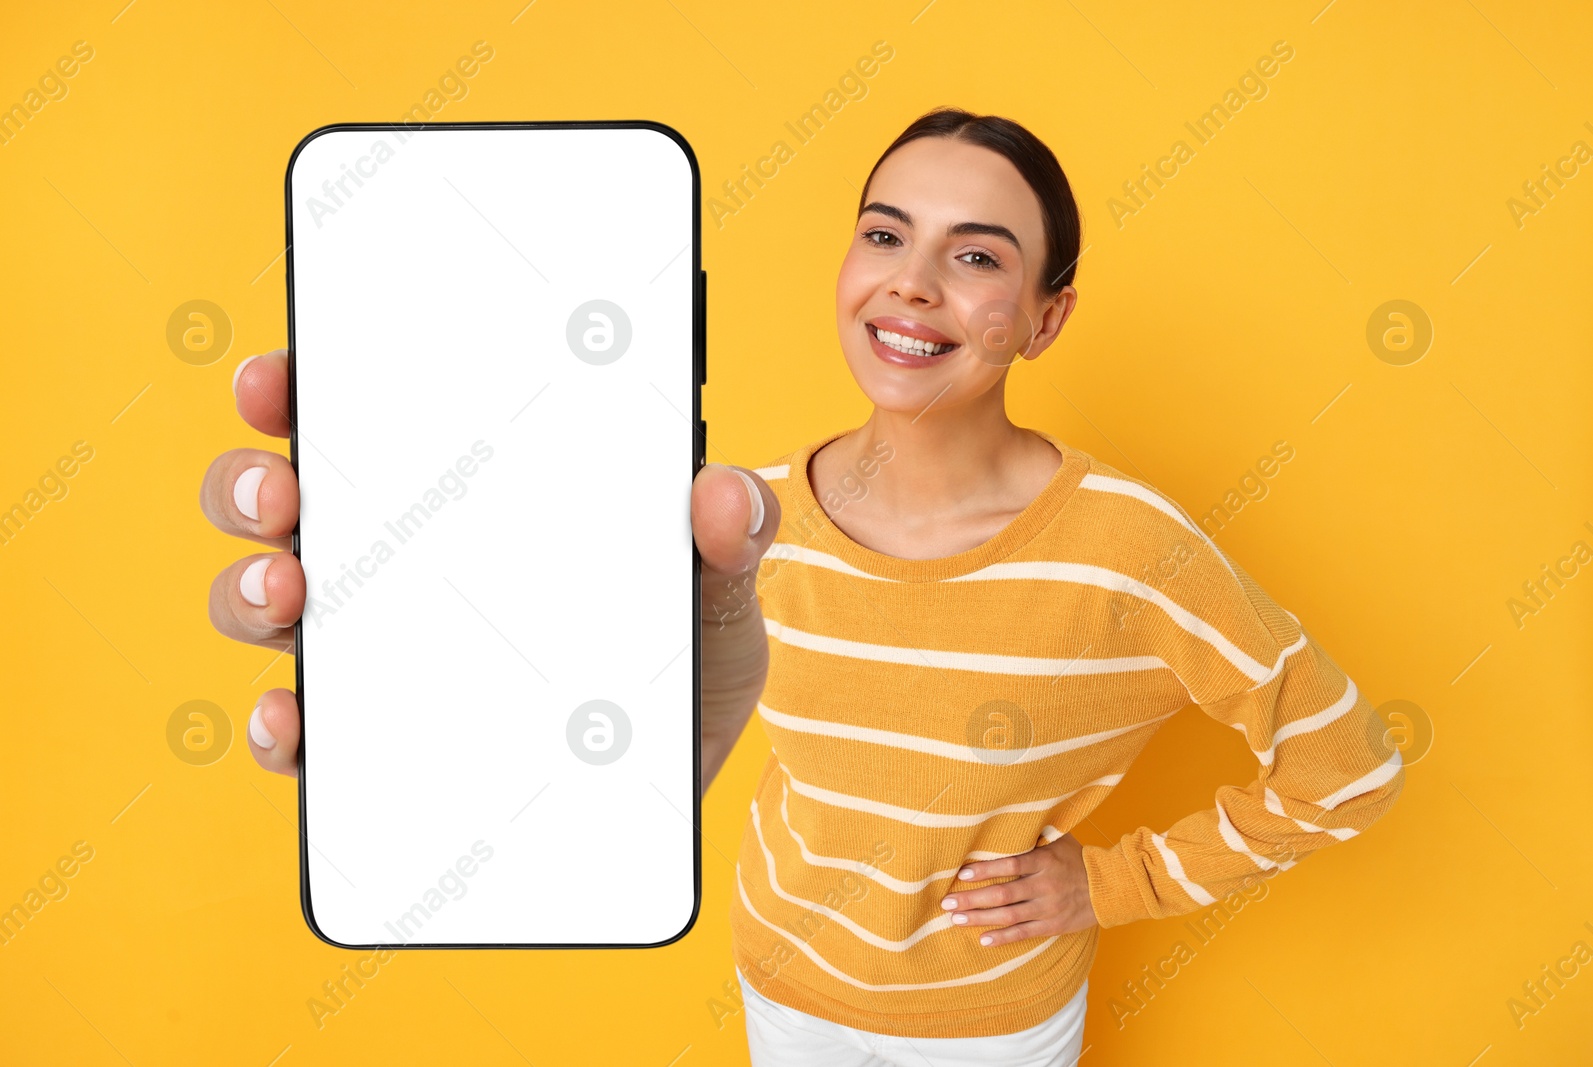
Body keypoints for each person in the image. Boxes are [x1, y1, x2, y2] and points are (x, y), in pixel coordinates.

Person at [201, 107, 1404, 1067]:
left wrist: (1109, 880)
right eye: (885, 234)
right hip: (778, 982)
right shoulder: (745, 517)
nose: (913, 282)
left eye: (975, 255)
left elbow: (1347, 763)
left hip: (987, 1029)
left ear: (1045, 318)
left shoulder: (1134, 551)